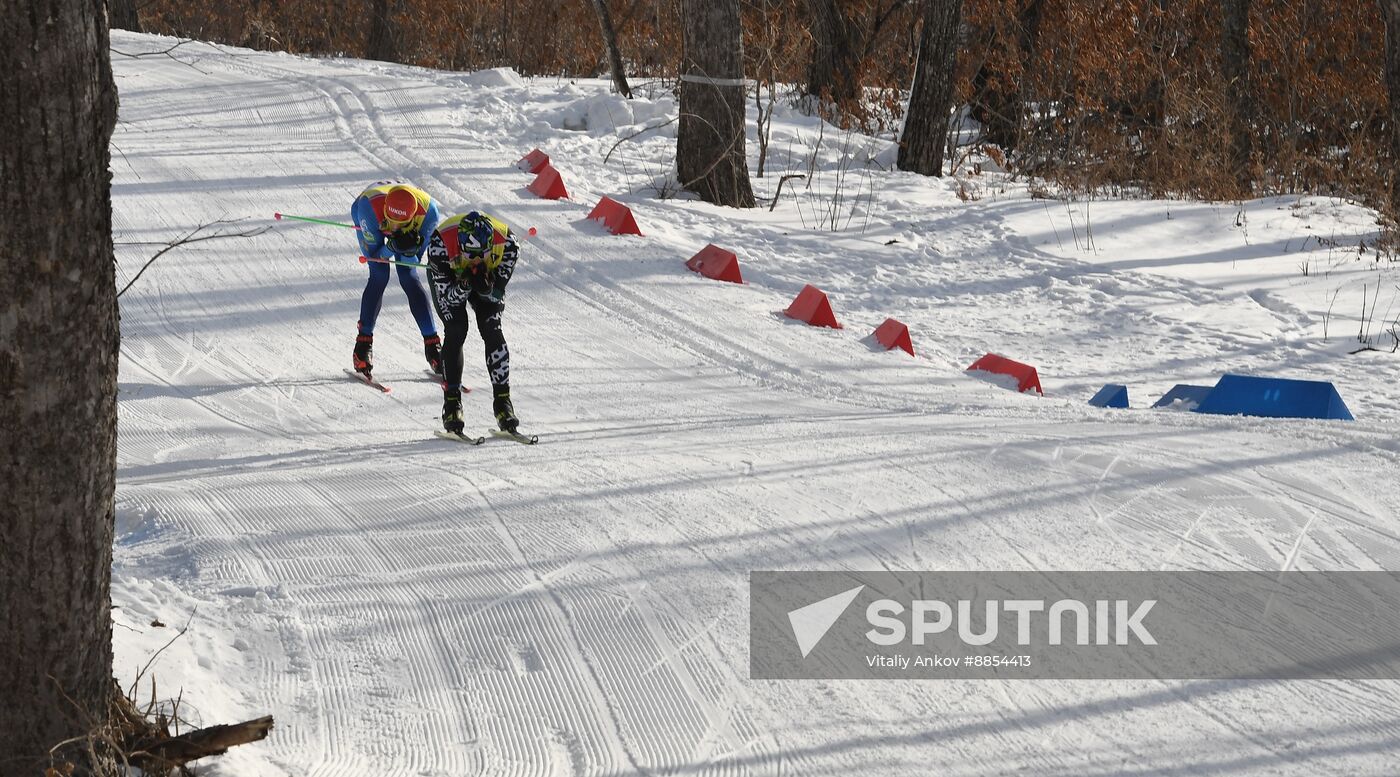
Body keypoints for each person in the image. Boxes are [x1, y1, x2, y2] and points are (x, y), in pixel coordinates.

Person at [425, 211, 521, 434]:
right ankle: (452, 404)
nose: (476, 259)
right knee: (457, 330)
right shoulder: (440, 245)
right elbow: (448, 298)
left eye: (482, 254)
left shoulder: (508, 245)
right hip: (451, 285)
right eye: (471, 254)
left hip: (480, 282)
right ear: (460, 246)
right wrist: (464, 286)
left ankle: (503, 403)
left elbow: (497, 295)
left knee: (492, 328)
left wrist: (488, 289)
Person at [350, 182, 443, 378]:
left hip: (415, 217)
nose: (393, 227)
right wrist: (390, 248)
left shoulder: (429, 214)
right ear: (386, 212)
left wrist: (408, 250)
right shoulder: (370, 209)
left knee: (408, 276)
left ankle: (433, 346)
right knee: (379, 274)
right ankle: (363, 345)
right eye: (390, 221)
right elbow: (375, 256)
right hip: (369, 209)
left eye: (399, 224)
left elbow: (413, 263)